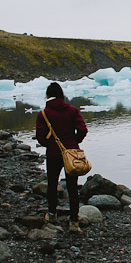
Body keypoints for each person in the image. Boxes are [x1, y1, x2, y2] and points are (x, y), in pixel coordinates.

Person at [35, 82, 88, 232]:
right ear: (61, 95)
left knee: (52, 184)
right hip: (71, 153)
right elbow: (82, 129)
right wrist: (75, 141)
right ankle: (74, 222)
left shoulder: (43, 114)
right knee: (72, 187)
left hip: (53, 153)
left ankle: (52, 214)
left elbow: (40, 136)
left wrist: (49, 144)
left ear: (47, 95)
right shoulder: (72, 110)